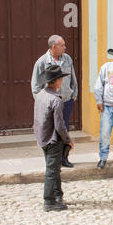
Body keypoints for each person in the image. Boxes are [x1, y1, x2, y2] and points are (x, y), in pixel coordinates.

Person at [31, 35, 78, 168]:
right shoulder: (42, 62)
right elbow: (35, 86)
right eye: (62, 45)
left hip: (66, 100)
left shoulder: (67, 58)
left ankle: (64, 158)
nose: (65, 47)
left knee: (64, 129)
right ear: (54, 47)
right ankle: (52, 159)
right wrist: (41, 102)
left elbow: (72, 77)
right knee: (51, 130)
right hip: (50, 103)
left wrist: (74, 94)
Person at [33, 65, 74, 212]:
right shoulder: (55, 100)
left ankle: (57, 195)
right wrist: (68, 140)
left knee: (54, 168)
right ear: (57, 81)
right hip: (52, 139)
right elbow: (60, 125)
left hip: (42, 137)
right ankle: (49, 201)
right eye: (61, 78)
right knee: (52, 171)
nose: (62, 80)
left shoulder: (40, 95)